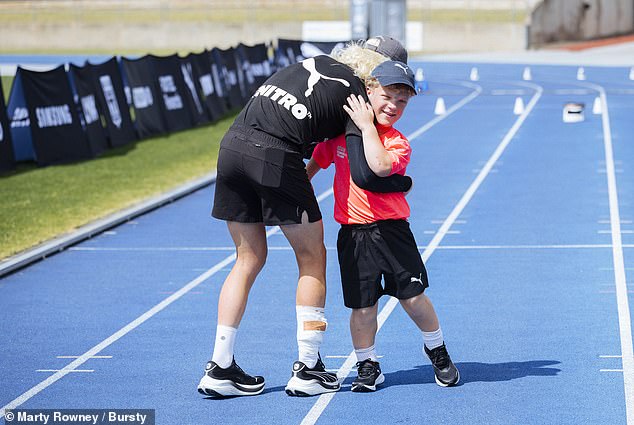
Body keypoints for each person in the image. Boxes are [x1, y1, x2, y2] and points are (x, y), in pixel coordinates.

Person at [197, 36, 413, 398]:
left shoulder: (312, 65)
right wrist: (402, 182)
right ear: (376, 74)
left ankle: (220, 366)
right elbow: (364, 173)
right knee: (313, 259)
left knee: (247, 259)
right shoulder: (357, 94)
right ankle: (309, 367)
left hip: (231, 145)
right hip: (274, 155)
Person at [306, 60, 460, 392]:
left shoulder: (397, 142)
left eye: (402, 101)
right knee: (362, 307)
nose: (393, 106)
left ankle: (437, 349)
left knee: (414, 298)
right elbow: (317, 161)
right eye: (387, 96)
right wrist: (299, 189)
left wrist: (366, 126)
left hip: (391, 232)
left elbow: (380, 166)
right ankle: (368, 364)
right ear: (369, 91)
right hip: (353, 234)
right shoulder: (339, 138)